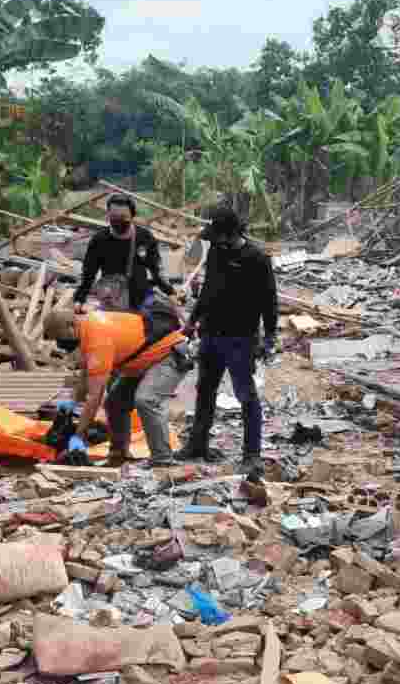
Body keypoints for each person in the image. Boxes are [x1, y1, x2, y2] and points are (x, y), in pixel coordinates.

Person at [176, 207, 278, 477]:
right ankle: (198, 445)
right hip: (211, 333)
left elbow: (270, 301)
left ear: (230, 234)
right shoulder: (217, 252)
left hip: (241, 339)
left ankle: (252, 455)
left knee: (246, 395)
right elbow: (208, 289)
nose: (213, 241)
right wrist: (193, 320)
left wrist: (269, 338)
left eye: (217, 236)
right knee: (205, 390)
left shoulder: (257, 259)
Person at [42, 307, 190, 468]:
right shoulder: (85, 328)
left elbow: (94, 396)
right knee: (115, 403)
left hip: (168, 355)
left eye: (60, 338)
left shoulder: (97, 338)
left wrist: (79, 435)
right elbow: (86, 373)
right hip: (142, 360)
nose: (60, 344)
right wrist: (73, 402)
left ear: (71, 325)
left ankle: (162, 461)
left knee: (146, 400)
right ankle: (119, 455)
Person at [71, 194, 173, 314]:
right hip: (111, 302)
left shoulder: (145, 237)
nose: (118, 221)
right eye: (114, 216)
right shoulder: (99, 240)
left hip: (140, 302)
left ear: (132, 216)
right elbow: (88, 273)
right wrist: (79, 299)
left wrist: (171, 292)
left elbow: (156, 270)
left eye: (123, 217)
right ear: (108, 215)